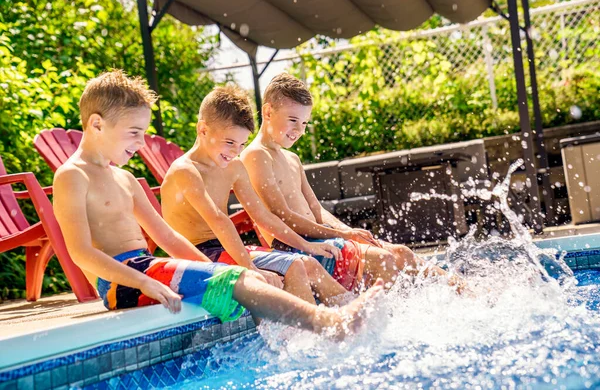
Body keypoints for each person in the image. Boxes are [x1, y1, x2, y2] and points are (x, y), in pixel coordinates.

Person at [52, 70, 383, 339]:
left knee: (239, 276)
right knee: (240, 279)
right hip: (121, 281)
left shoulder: (125, 180)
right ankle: (326, 323)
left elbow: (167, 238)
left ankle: (304, 339)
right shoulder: (72, 177)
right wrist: (141, 281)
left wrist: (219, 268)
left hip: (146, 265)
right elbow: (80, 252)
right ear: (96, 124)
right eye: (135, 132)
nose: (140, 143)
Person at [241, 73, 466, 291]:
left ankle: (462, 290)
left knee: (402, 253)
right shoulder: (256, 155)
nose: (299, 130)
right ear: (268, 111)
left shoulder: (292, 159)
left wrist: (348, 230)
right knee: (385, 260)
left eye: (304, 123)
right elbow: (283, 216)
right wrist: (342, 235)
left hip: (320, 236)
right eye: (293, 120)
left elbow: (316, 209)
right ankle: (381, 320)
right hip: (297, 246)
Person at [161, 85, 359, 305]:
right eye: (229, 142)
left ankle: (350, 316)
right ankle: (307, 332)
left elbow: (263, 216)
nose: (236, 151)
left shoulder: (233, 167)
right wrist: (249, 267)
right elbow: (219, 220)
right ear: (203, 129)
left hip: (224, 248)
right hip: (197, 255)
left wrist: (307, 245)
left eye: (242, 144)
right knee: (295, 267)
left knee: (308, 263)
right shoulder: (185, 170)